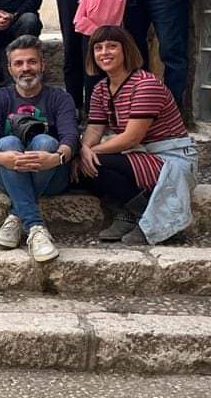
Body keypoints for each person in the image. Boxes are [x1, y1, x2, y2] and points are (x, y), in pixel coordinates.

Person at [76, 26, 197, 245]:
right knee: (81, 167)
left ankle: (154, 218)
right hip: (140, 155)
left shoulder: (145, 85)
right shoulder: (101, 89)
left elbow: (131, 137)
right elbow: (94, 128)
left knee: (98, 161)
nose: (105, 52)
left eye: (112, 46)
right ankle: (131, 212)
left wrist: (89, 152)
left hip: (170, 157)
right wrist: (83, 150)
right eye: (98, 48)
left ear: (126, 51)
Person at [0, 35, 77, 263]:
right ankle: (35, 227)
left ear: (42, 64)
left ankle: (16, 216)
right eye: (19, 63)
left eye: (31, 62)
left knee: (46, 142)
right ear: (10, 69)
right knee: (7, 144)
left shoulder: (59, 98)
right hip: (8, 171)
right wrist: (0, 157)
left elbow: (71, 136)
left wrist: (55, 158)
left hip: (52, 174)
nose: (26, 68)